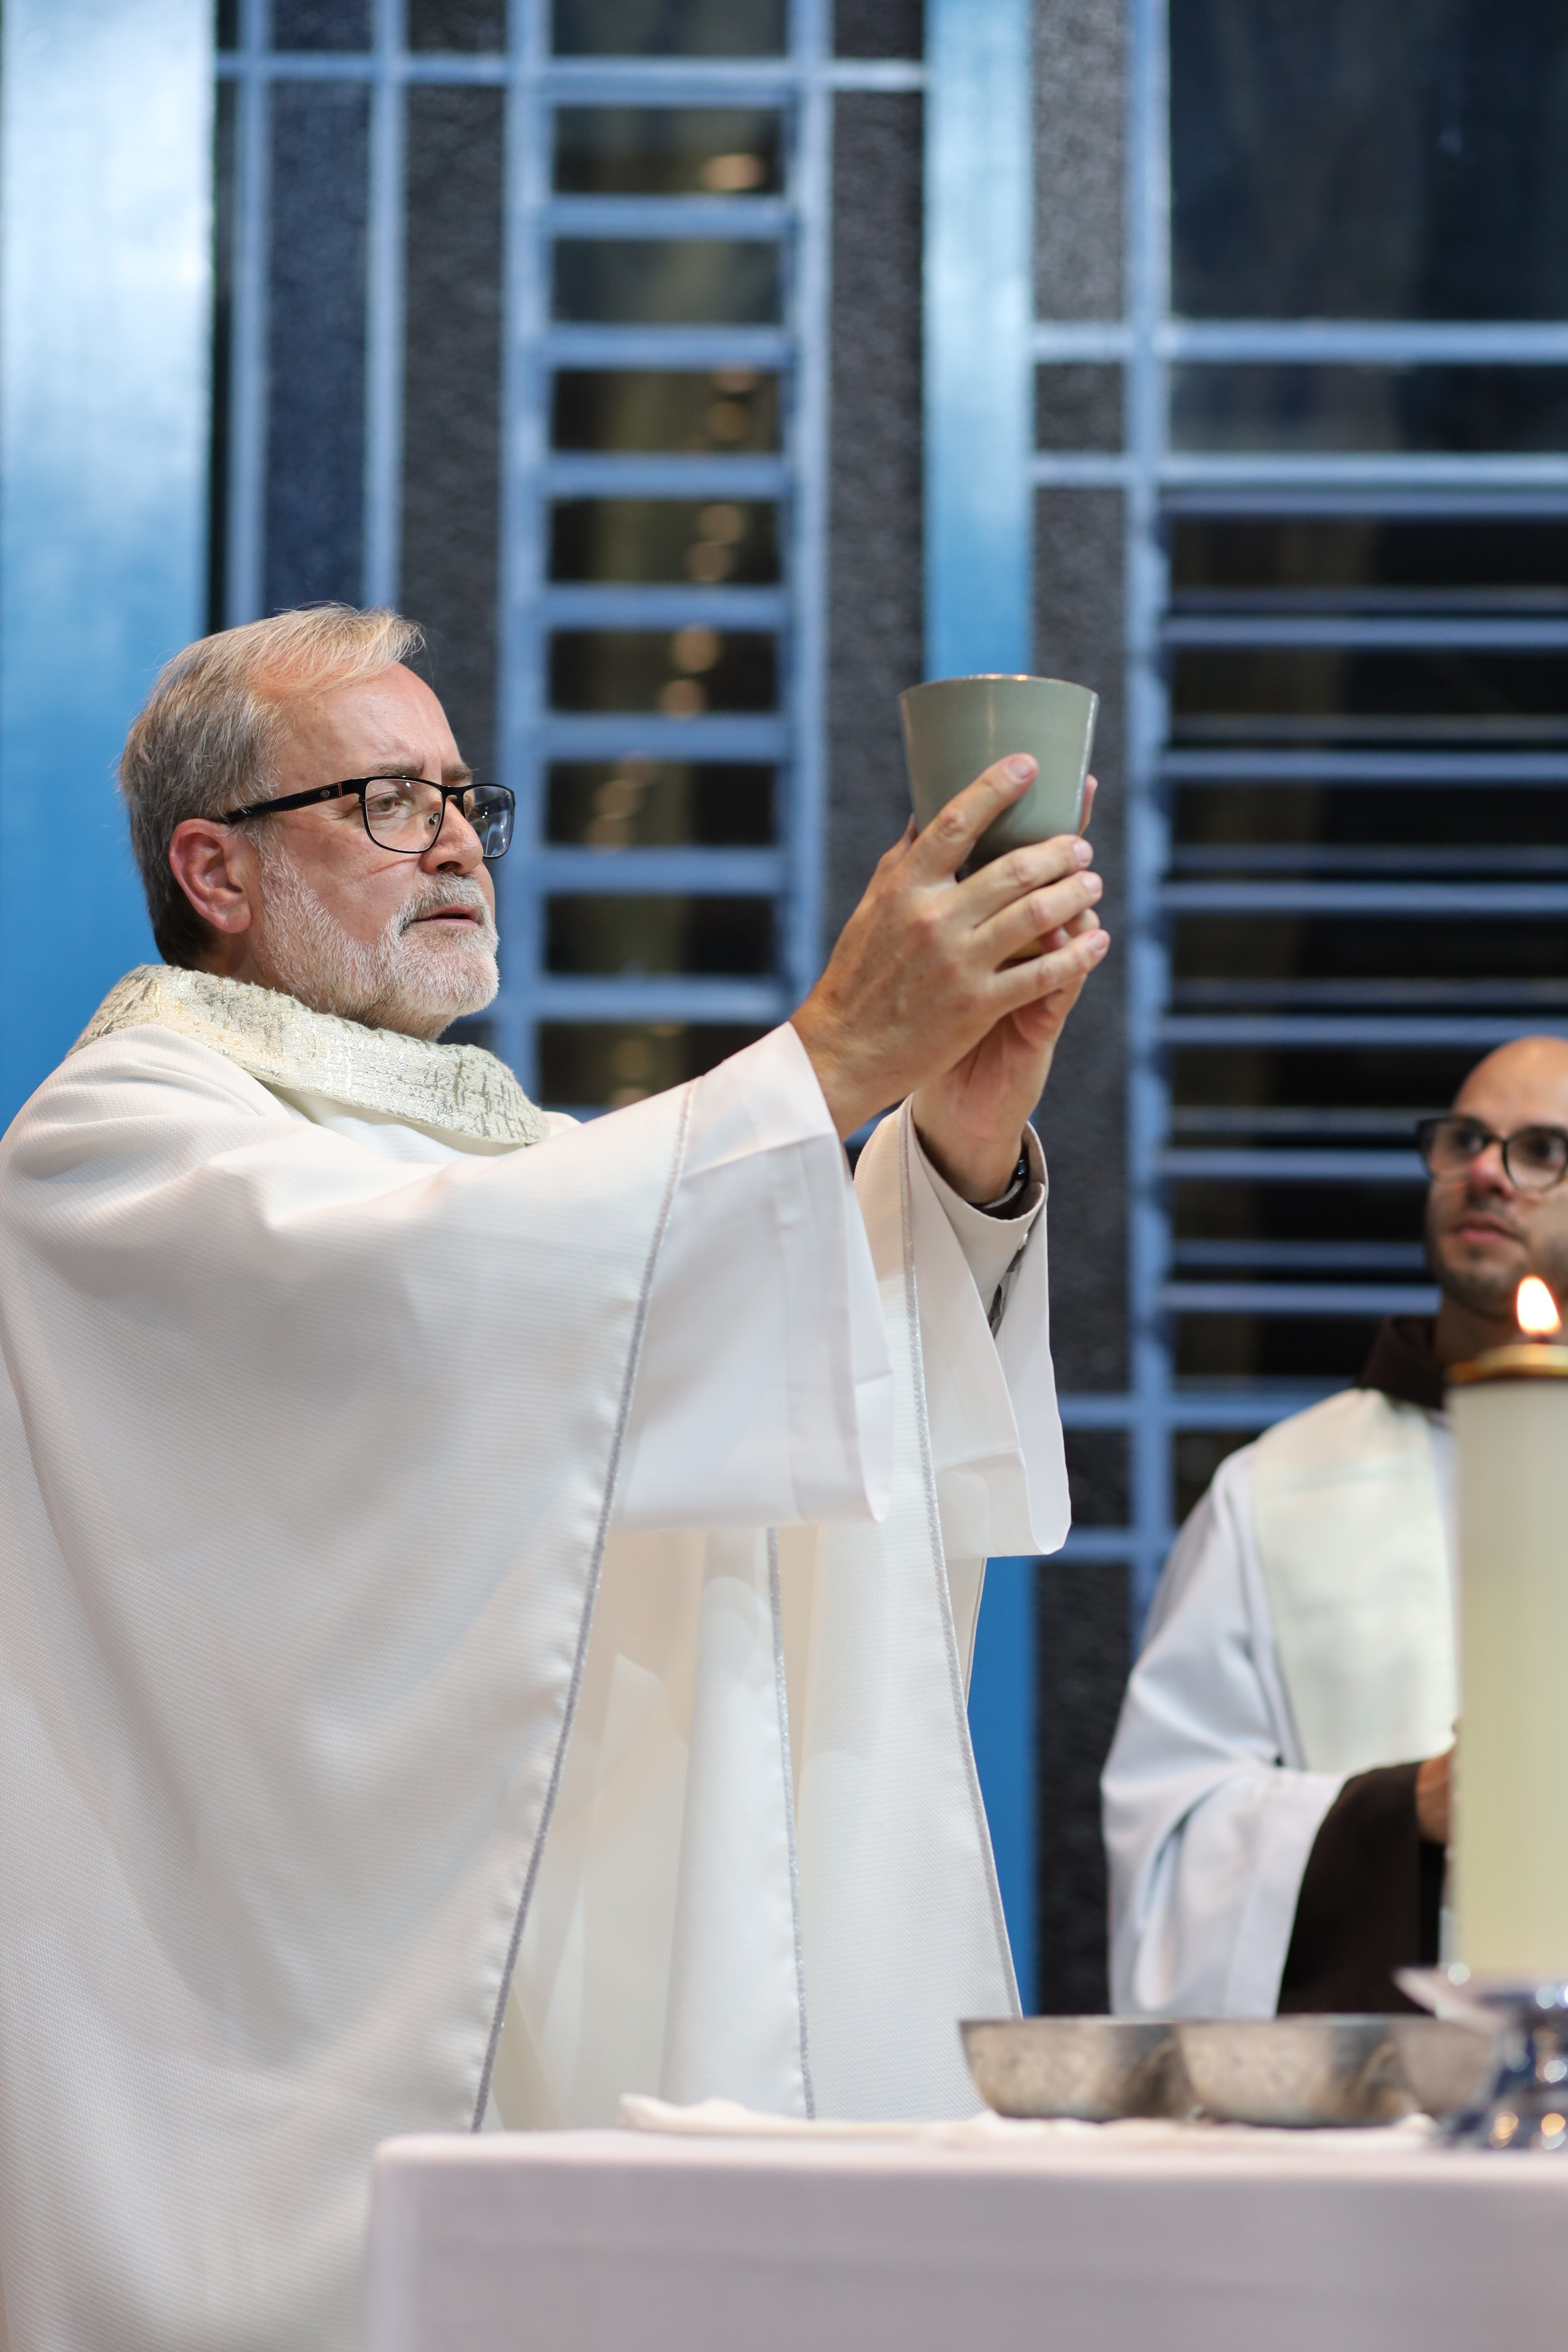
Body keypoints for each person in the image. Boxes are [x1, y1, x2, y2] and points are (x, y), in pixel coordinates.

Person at [0, 605, 1108, 2351]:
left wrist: (949, 1141)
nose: (454, 839)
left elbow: (708, 1363)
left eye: (465, 797)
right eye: (384, 798)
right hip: (270, 2088)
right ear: (212, 866)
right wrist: (823, 1066)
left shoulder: (499, 1157)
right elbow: (433, 1311)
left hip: (575, 2039)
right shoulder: (118, 1141)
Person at [1103, 1035, 1568, 2021]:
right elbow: (1170, 1847)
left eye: (1541, 1151)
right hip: (1378, 2115)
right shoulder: (1274, 1492)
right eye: (1466, 1140)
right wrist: (1406, 1814)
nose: (1486, 1171)